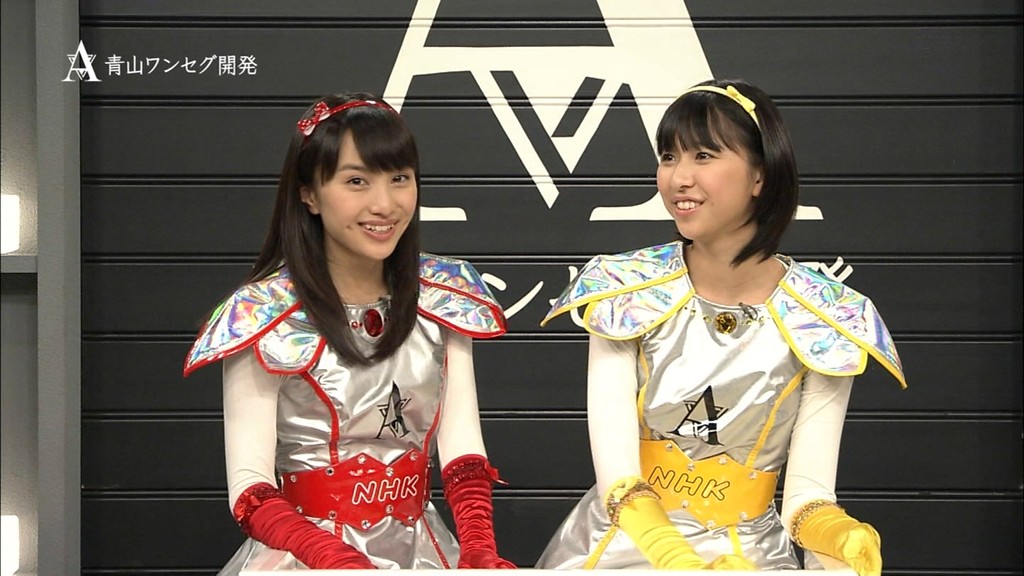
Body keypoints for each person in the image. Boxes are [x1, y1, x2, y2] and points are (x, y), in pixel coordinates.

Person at [534, 79, 906, 574]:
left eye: (704, 156)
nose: (678, 178)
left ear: (760, 175)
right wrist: (675, 560)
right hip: (623, 550)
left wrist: (841, 535)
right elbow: (618, 481)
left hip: (751, 557)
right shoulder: (624, 291)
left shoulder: (826, 318)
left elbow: (807, 497)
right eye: (669, 157)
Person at [183, 92, 517, 573]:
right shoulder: (261, 315)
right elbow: (250, 489)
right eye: (357, 181)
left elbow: (463, 449)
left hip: (424, 553)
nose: (384, 204)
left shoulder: (444, 296)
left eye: (399, 178)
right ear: (309, 193)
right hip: (307, 560)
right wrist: (336, 560)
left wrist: (479, 549)